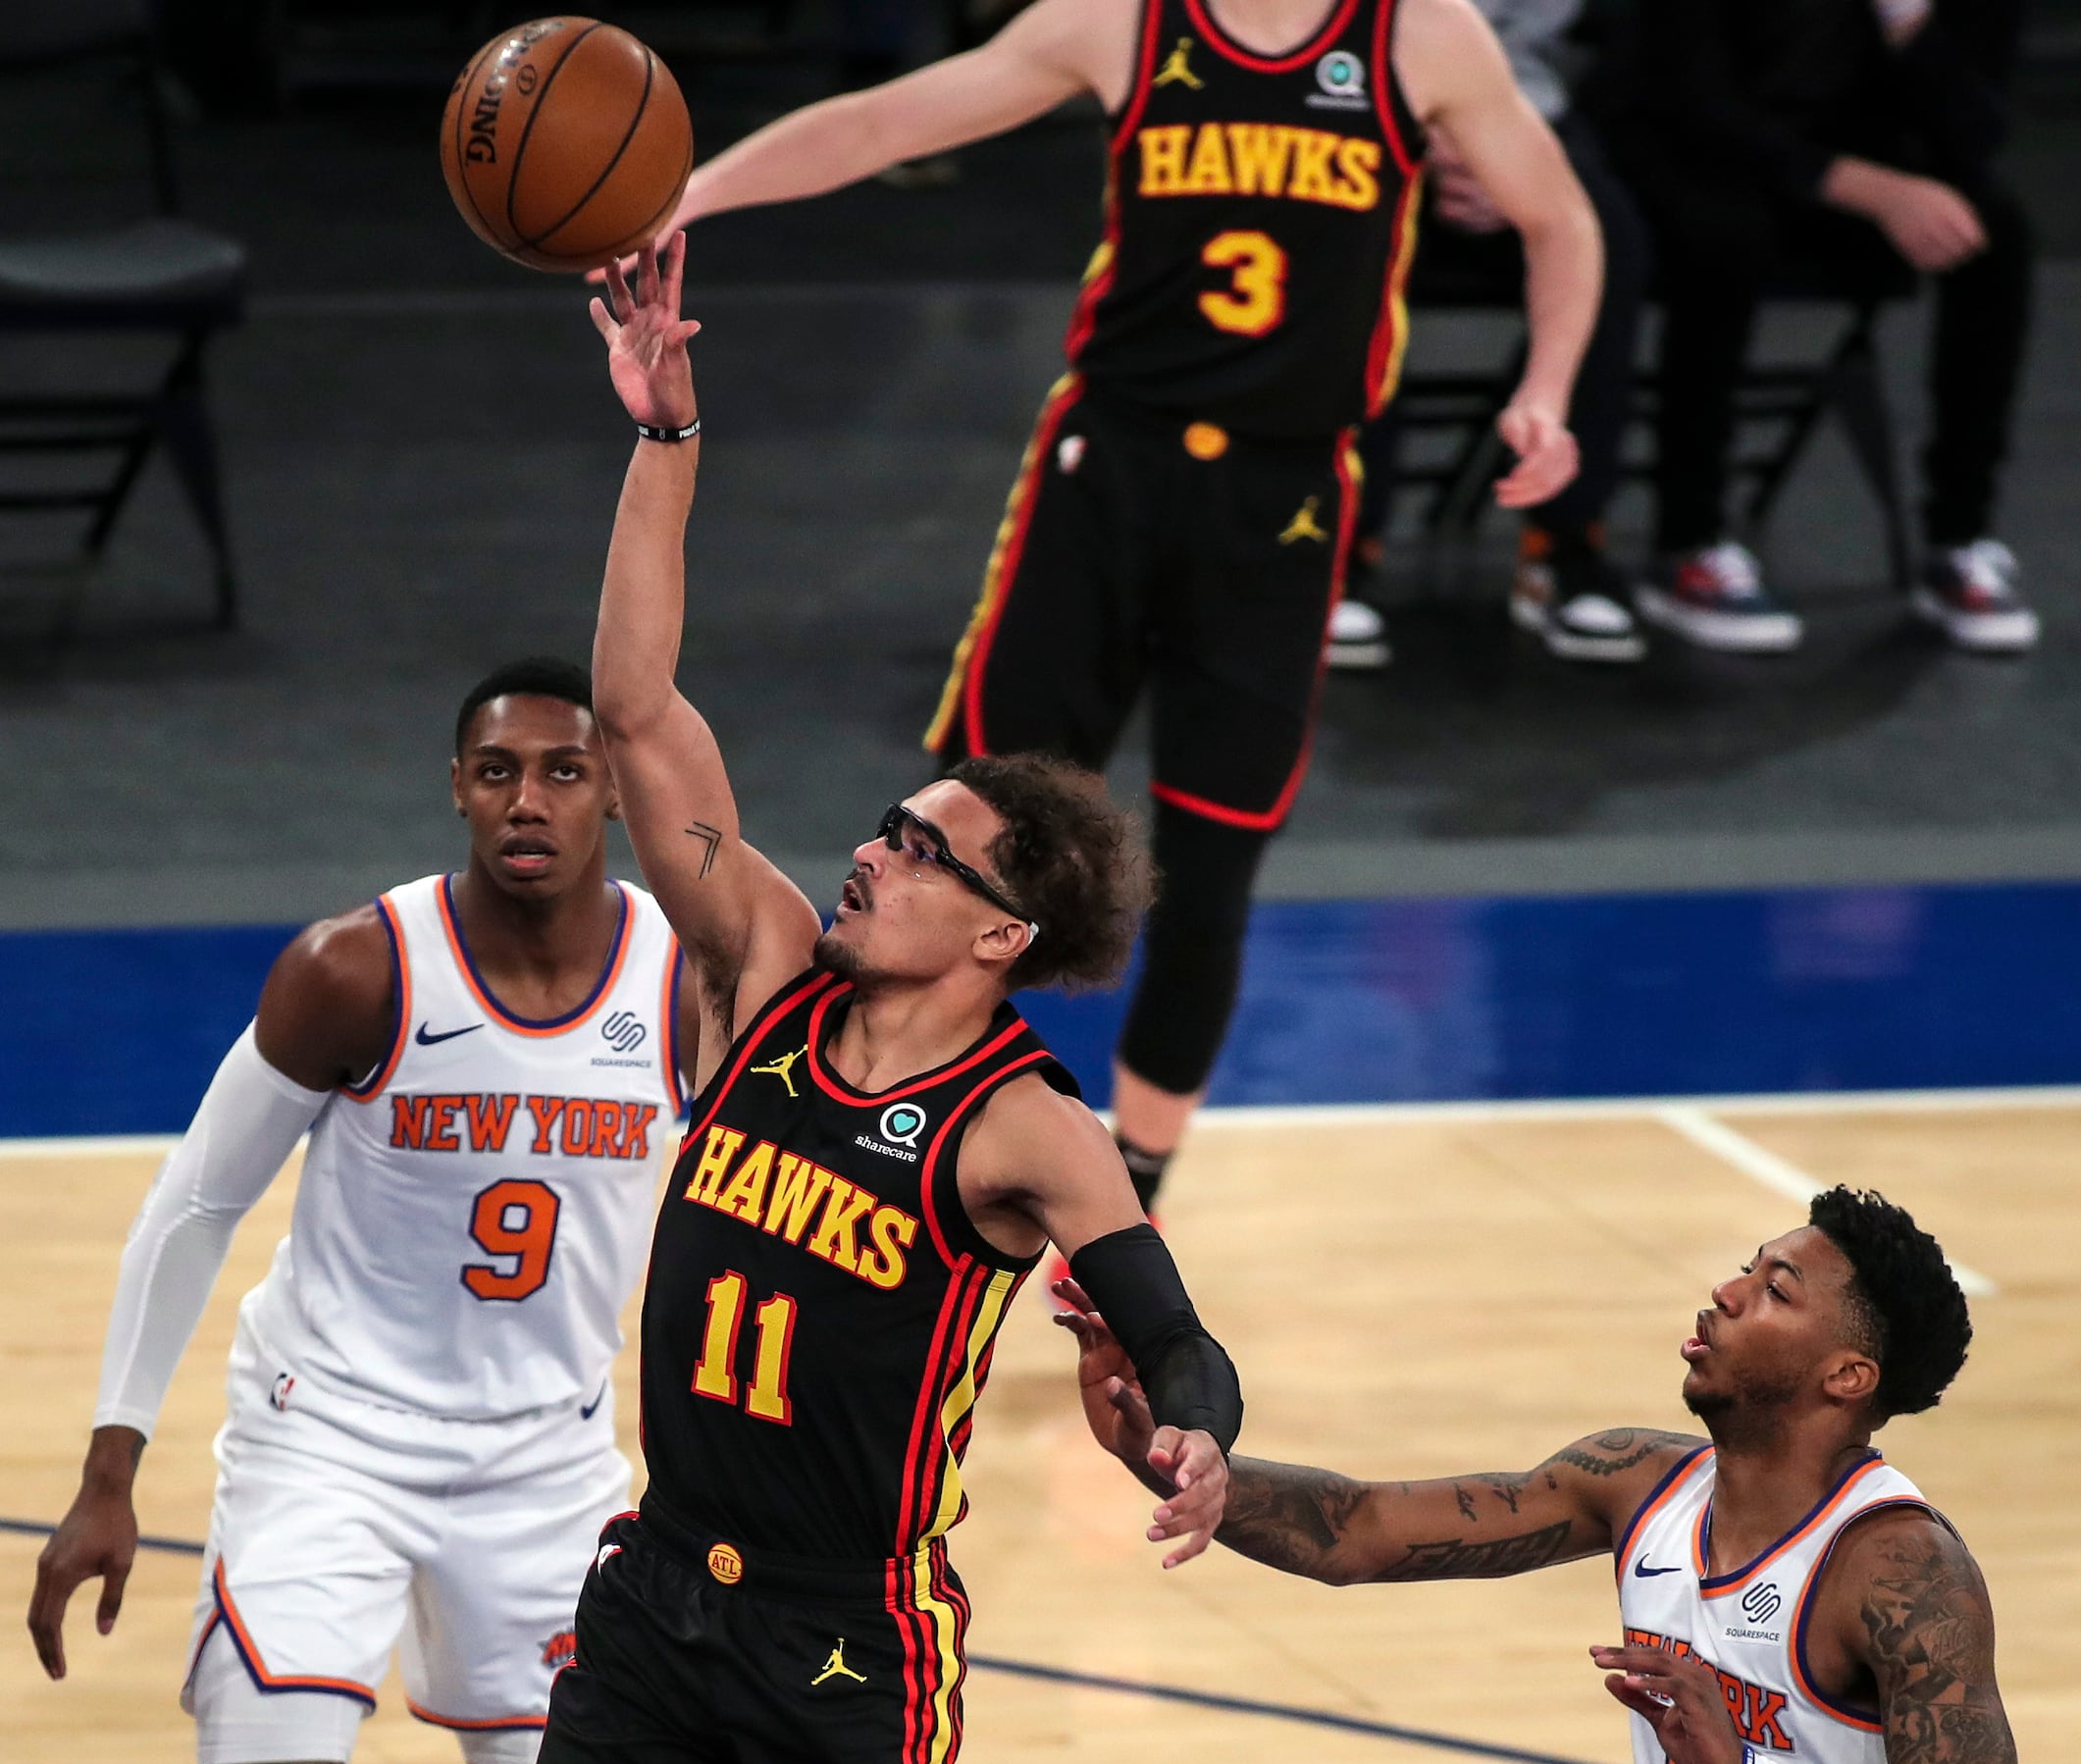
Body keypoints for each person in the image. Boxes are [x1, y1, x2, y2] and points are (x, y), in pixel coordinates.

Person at [479, 234, 1238, 1764]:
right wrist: (667, 439)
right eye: (890, 828)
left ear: (1003, 933)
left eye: (922, 851)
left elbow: (1169, 1327)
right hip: (657, 1602)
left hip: (845, 1643)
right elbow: (639, 716)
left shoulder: (1022, 1121)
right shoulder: (757, 978)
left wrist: (1198, 1434)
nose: (870, 853)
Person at [674, 0, 1604, 1211]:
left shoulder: (1418, 34)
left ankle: (1135, 1187)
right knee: (965, 835)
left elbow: (1562, 219)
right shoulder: (1121, 16)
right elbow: (885, 120)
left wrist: (1549, 389)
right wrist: (692, 191)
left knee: (1211, 870)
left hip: (1283, 498)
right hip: (1109, 466)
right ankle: (878, 1123)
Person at [25, 662, 684, 1764]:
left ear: (618, 793)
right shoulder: (358, 969)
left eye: (565, 770)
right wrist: (109, 1469)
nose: (530, 799)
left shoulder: (681, 981)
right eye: (499, 769)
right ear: (456, 787)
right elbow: (196, 1206)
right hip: (329, 1443)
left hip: (551, 1464)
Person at [1065, 1185, 2023, 1764]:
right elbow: (1359, 1528)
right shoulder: (1639, 1481)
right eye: (1745, 1269)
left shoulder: (1899, 1566)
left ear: (1847, 1376)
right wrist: (1173, 1453)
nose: (1726, 1294)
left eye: (1775, 1290)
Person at [1589, 0, 2039, 655]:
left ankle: (1959, 538)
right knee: (1726, 237)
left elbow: (1977, 132)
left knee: (1995, 232)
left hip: (1847, 157)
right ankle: (1687, 542)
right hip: (1690, 146)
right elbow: (1692, 106)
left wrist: (1909, 23)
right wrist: (1869, 190)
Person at [1342, 0, 1660, 668]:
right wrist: (1433, 137)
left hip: (1520, 111)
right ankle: (1341, 545)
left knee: (1611, 237)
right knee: (1347, 244)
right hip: (1355, 107)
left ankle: (1565, 541)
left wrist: (1504, 153)